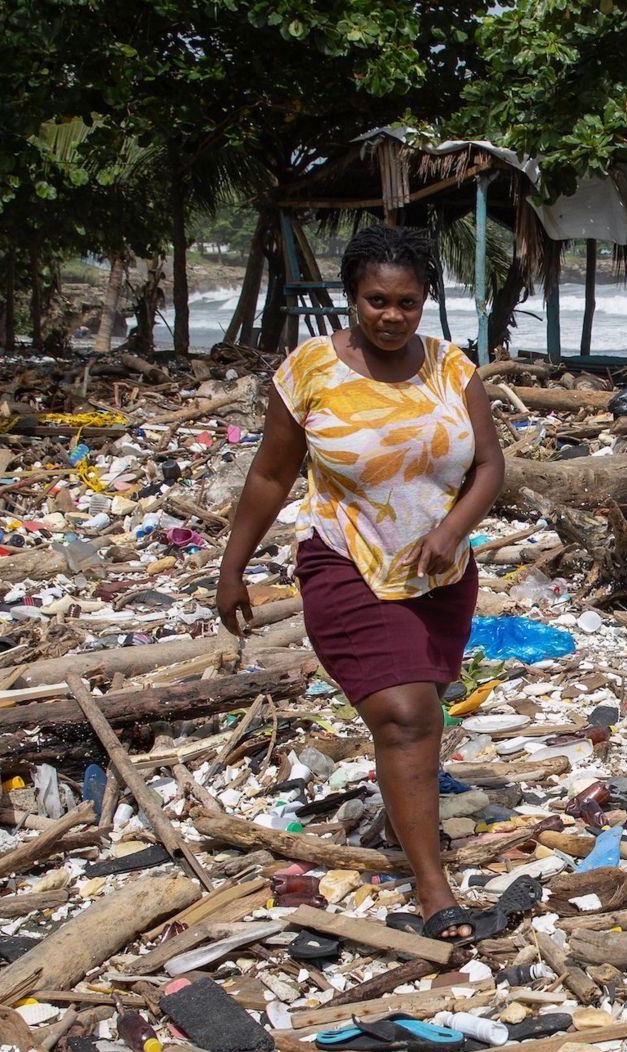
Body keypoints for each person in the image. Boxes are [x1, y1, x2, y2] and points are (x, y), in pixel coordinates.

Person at [217, 224, 504, 932]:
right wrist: (232, 567)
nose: (391, 316)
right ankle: (434, 886)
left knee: (414, 717)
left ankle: (401, 818)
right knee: (407, 716)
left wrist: (449, 531)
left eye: (407, 303)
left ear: (425, 302)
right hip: (344, 561)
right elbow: (271, 473)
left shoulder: (452, 369)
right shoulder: (312, 369)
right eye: (376, 300)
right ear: (351, 296)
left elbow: (491, 468)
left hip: (441, 574)